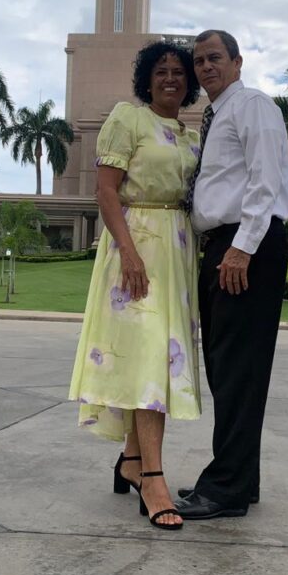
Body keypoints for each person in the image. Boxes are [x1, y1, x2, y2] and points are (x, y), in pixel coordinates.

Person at [69, 40, 202, 531]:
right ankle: (153, 477)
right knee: (148, 360)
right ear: (146, 79)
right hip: (137, 248)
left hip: (177, 251)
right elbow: (105, 190)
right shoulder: (128, 118)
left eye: (179, 72)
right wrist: (128, 251)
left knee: (158, 357)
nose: (171, 78)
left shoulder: (189, 135)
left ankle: (130, 459)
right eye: (161, 71)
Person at [174, 29, 288, 520]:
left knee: (238, 371)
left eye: (215, 58)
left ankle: (225, 487)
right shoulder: (218, 114)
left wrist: (242, 249)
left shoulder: (253, 106)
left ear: (237, 62)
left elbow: (266, 182)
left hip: (247, 246)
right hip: (224, 245)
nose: (205, 67)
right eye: (199, 60)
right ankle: (241, 480)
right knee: (228, 371)